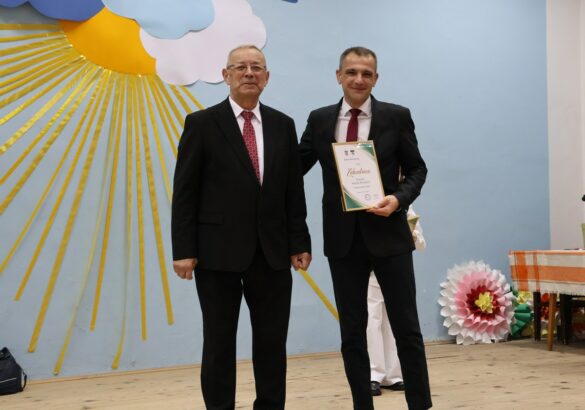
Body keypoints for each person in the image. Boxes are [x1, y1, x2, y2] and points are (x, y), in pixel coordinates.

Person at [171, 45, 312, 410]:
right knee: (219, 342)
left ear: (267, 77)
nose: (249, 73)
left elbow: (292, 190)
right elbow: (185, 193)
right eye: (241, 67)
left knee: (272, 342)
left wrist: (299, 241)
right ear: (226, 75)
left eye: (257, 67)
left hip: (272, 252)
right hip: (216, 254)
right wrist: (183, 250)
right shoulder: (201, 124)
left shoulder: (283, 125)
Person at [298, 46, 432, 410]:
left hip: (389, 235)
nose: (359, 80)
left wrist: (398, 199)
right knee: (352, 332)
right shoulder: (320, 120)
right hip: (343, 242)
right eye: (352, 72)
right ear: (338, 76)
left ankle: (420, 404)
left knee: (407, 328)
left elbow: (417, 169)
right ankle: (362, 404)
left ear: (376, 78)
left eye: (367, 74)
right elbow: (294, 167)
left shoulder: (396, 116)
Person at [368, 207, 426, 396]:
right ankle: (374, 374)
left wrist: (413, 234)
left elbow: (419, 240)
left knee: (395, 321)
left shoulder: (402, 202)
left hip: (395, 263)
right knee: (372, 320)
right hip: (369, 269)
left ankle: (393, 374)